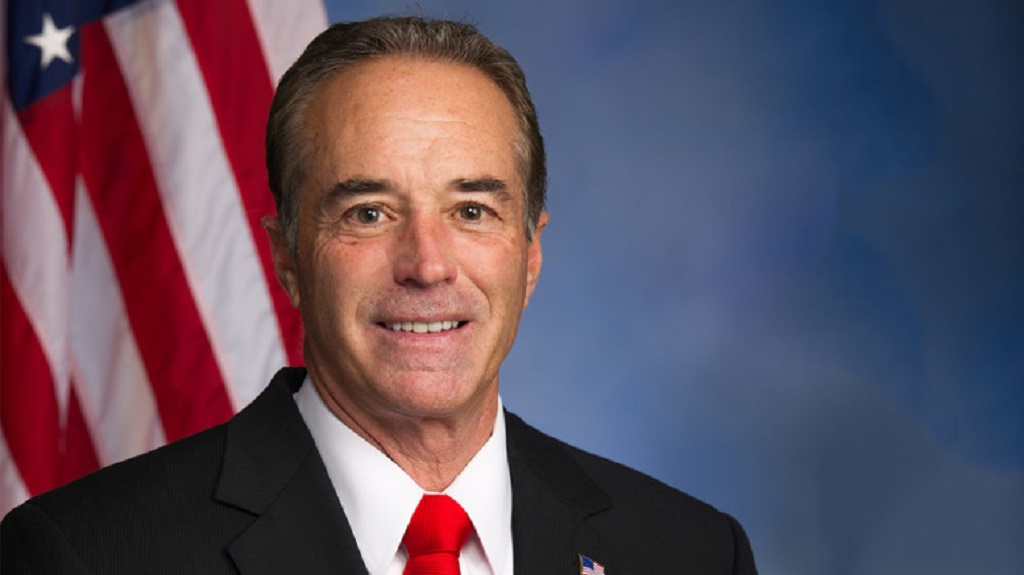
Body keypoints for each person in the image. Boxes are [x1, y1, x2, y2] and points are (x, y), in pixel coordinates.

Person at [1, 16, 757, 574]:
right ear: (287, 255)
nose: (427, 265)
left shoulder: (688, 551)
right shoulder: (85, 554)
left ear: (530, 252)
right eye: (368, 213)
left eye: (471, 210)